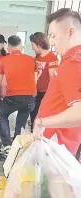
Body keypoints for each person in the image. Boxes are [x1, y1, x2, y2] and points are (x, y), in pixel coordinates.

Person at [33, 8, 81, 155]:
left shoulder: (74, 63)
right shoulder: (70, 59)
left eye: (53, 36)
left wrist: (42, 123)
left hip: (56, 143)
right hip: (57, 141)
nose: (52, 43)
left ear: (70, 32)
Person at [0, 35, 36, 161]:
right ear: (21, 47)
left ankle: (6, 146)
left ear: (8, 47)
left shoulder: (4, 60)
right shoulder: (31, 59)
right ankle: (17, 147)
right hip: (30, 98)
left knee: (2, 115)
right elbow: (35, 78)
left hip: (13, 97)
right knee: (21, 121)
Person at [29, 32, 58, 132]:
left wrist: (50, 96)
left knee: (41, 113)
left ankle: (38, 131)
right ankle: (33, 129)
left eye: (33, 45)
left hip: (44, 92)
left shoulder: (52, 58)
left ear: (39, 44)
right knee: (32, 111)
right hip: (34, 90)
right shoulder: (37, 56)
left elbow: (53, 80)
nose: (32, 48)